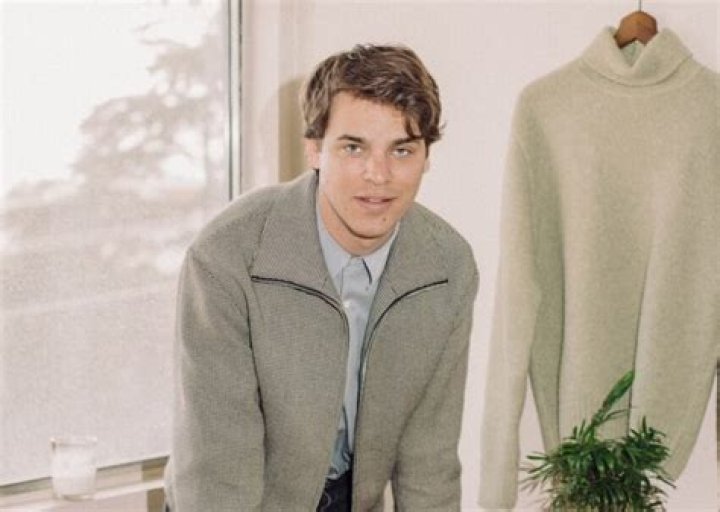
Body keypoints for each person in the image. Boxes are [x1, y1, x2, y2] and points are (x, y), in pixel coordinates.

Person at [163, 44, 478, 511]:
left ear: (426, 156)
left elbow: (429, 464)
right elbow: (217, 475)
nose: (378, 175)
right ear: (314, 148)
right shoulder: (227, 256)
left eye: (402, 150)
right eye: (353, 147)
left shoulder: (447, 267)